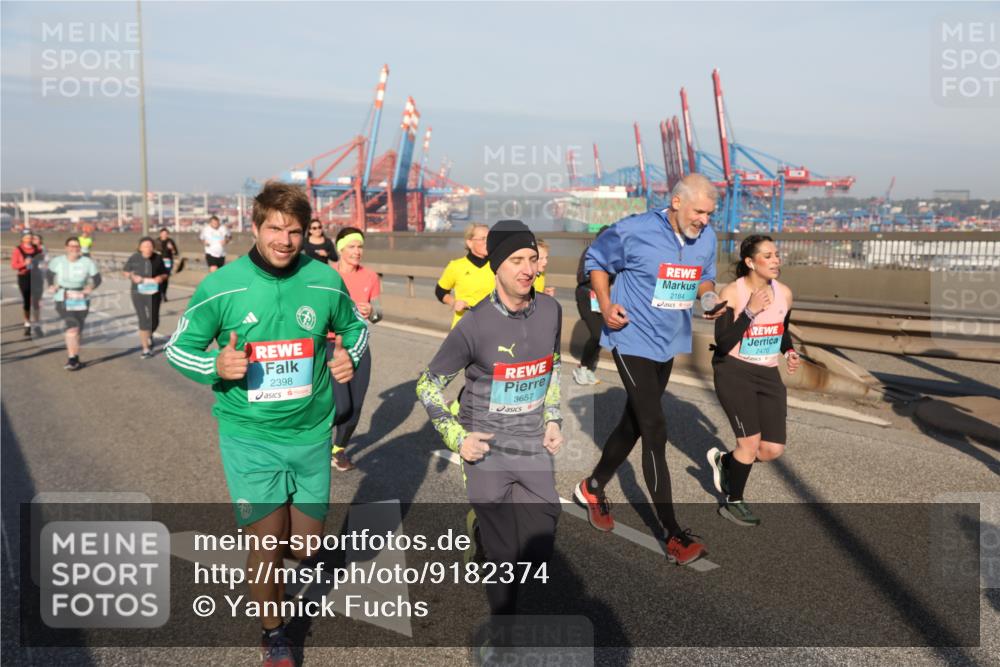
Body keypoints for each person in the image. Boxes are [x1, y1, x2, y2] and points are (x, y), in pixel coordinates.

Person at [165, 182, 367, 667]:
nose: (284, 240)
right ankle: (274, 633)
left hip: (311, 434)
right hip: (249, 437)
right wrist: (215, 365)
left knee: (306, 547)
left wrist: (349, 357)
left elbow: (356, 328)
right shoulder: (222, 286)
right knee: (269, 544)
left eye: (294, 231)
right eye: (274, 228)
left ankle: (279, 572)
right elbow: (178, 349)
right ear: (254, 227)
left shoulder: (325, 280)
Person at [572, 173, 723, 566]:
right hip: (631, 337)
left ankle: (591, 487)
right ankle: (672, 535)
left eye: (709, 213)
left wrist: (709, 297)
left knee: (634, 425)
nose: (704, 220)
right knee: (655, 428)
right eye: (699, 211)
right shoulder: (634, 230)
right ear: (676, 202)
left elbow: (705, 277)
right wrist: (606, 304)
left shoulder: (706, 237)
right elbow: (596, 261)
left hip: (668, 341)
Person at [417, 219, 563, 617]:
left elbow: (553, 363)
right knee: (504, 558)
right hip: (485, 449)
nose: (527, 269)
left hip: (531, 444)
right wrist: (457, 438)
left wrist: (553, 417)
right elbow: (428, 385)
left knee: (538, 547)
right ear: (497, 265)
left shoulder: (552, 310)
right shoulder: (474, 325)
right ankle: (503, 631)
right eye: (516, 260)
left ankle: (479, 531)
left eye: (532, 259)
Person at [706, 235, 800, 526]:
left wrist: (788, 350)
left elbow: (781, 329)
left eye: (777, 254)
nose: (776, 260)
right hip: (734, 371)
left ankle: (727, 462)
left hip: (768, 373)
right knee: (749, 443)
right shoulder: (732, 292)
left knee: (772, 449)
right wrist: (750, 311)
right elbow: (723, 342)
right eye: (768, 256)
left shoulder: (785, 293)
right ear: (750, 262)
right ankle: (733, 501)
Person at [328, 226, 382, 472]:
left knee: (356, 406)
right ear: (340, 248)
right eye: (351, 246)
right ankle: (316, 441)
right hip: (330, 344)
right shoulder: (326, 275)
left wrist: (372, 312)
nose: (357, 251)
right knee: (341, 406)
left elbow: (379, 314)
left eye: (360, 246)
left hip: (359, 344)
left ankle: (338, 450)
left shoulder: (370, 277)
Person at [46, 237, 102, 371]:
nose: (74, 249)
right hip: (63, 296)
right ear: (66, 248)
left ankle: (75, 357)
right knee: (72, 327)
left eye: (77, 246)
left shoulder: (87, 262)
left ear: (80, 248)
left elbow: (97, 279)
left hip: (81, 297)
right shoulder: (57, 261)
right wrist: (51, 285)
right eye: (71, 246)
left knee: (78, 328)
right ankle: (72, 359)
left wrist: (91, 287)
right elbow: (49, 274)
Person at [572, 227, 610, 386]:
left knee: (603, 335)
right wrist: (598, 274)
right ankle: (581, 368)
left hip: (600, 297)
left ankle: (587, 368)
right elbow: (581, 276)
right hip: (586, 295)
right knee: (597, 334)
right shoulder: (591, 252)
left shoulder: (612, 255)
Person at [436, 223, 493, 328]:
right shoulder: (456, 266)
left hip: (492, 326)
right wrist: (454, 302)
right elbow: (440, 291)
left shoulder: (499, 265)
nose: (488, 242)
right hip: (464, 327)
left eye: (489, 238)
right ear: (470, 243)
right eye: (483, 239)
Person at [123, 237, 169, 358]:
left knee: (154, 320)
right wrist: (133, 277)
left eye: (150, 246)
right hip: (138, 293)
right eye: (145, 246)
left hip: (154, 292)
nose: (148, 248)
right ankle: (146, 349)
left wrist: (160, 278)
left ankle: (149, 334)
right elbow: (125, 272)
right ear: (140, 248)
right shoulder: (134, 258)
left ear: (153, 247)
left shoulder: (158, 258)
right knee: (143, 319)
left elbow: (165, 274)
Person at [10, 231, 42, 337]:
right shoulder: (18, 250)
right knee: (27, 301)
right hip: (24, 276)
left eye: (30, 237)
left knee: (36, 302)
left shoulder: (37, 249)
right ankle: (27, 324)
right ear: (22, 239)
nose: (29, 239)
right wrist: (24, 263)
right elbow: (14, 265)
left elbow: (43, 260)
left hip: (36, 276)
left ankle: (37, 325)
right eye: (27, 237)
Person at [153, 228, 181, 301]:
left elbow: (175, 253)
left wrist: (172, 248)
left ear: (168, 234)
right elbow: (152, 251)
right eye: (163, 234)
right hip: (159, 261)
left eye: (166, 234)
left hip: (168, 261)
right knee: (158, 277)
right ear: (160, 234)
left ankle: (164, 294)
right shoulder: (156, 241)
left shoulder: (170, 241)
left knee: (166, 277)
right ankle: (159, 293)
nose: (164, 235)